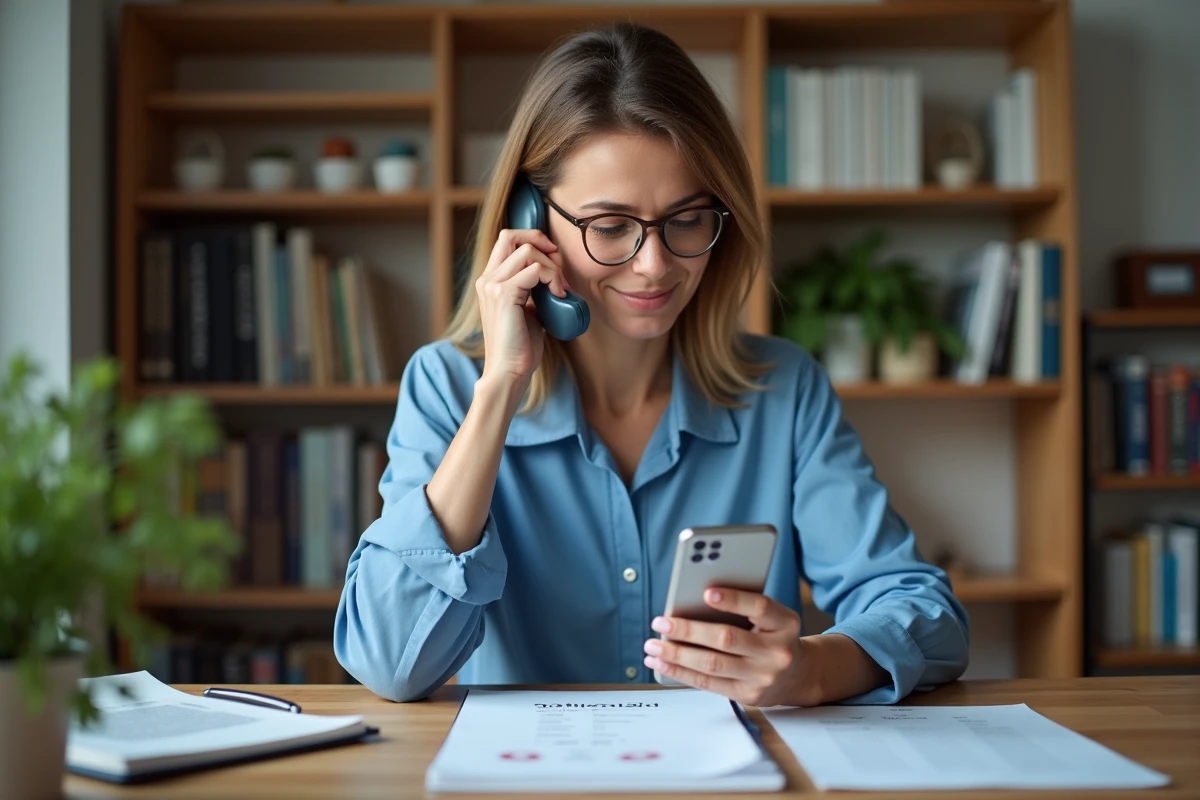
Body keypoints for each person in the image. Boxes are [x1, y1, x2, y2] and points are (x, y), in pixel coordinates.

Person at [334, 22, 969, 706]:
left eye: (688, 219)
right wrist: (499, 390)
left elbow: (926, 615)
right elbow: (390, 661)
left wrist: (811, 669)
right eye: (610, 227)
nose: (655, 265)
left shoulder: (782, 390)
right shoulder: (447, 387)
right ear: (530, 221)